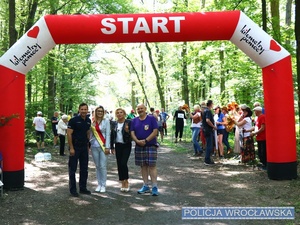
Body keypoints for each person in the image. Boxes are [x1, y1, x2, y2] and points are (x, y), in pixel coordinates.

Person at [130, 103, 159, 196]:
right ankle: (145, 185)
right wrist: (137, 141)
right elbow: (132, 132)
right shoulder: (134, 120)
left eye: (141, 108)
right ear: (136, 110)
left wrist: (146, 140)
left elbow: (155, 131)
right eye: (138, 109)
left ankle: (154, 186)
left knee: (152, 166)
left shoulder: (151, 119)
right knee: (143, 166)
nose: (140, 110)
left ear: (145, 109)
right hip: (139, 146)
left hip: (151, 145)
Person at [67, 103, 91, 197]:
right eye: (82, 109)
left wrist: (88, 145)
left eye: (85, 109)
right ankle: (73, 189)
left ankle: (83, 187)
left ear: (87, 110)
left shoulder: (88, 121)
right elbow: (69, 134)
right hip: (75, 147)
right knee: (72, 169)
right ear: (79, 110)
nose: (84, 111)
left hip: (84, 147)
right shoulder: (73, 120)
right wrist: (71, 148)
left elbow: (88, 133)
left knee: (84, 168)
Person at [90, 105, 111, 193]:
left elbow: (108, 134)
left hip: (103, 146)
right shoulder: (92, 121)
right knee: (97, 166)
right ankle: (99, 184)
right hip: (94, 146)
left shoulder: (106, 121)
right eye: (98, 111)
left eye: (101, 111)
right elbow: (90, 134)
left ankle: (103, 185)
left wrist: (107, 147)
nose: (99, 113)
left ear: (103, 112)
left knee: (103, 166)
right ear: (95, 112)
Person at [111, 108, 132, 192]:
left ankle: (126, 181)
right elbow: (112, 135)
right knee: (119, 164)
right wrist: (112, 147)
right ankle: (122, 181)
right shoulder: (114, 124)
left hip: (126, 145)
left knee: (123, 163)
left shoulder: (129, 122)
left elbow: (133, 134)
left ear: (124, 114)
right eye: (118, 113)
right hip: (118, 145)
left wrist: (128, 131)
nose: (119, 114)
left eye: (121, 112)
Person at [202, 100, 217, 165]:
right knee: (209, 145)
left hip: (206, 129)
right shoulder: (208, 111)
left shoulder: (205, 110)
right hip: (208, 130)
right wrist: (213, 126)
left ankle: (207, 159)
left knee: (209, 145)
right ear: (211, 104)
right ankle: (207, 160)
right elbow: (207, 120)